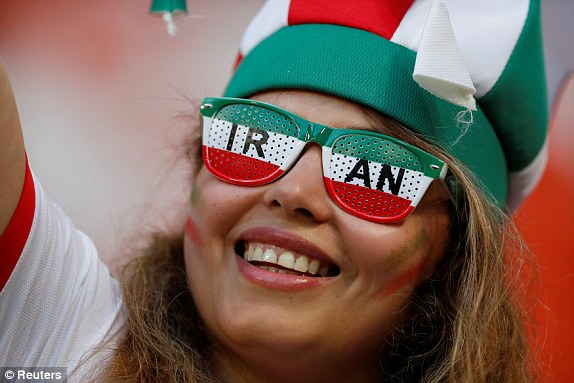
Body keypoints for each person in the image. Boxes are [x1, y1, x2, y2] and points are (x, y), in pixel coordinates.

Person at [0, 0, 548, 382]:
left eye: (373, 170)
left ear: (456, 260)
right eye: (254, 140)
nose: (292, 192)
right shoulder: (67, 343)